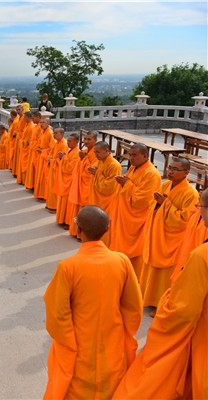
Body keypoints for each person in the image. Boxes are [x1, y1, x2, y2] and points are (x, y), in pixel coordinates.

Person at [113, 189, 208, 399]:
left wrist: (166, 304)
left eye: (200, 207)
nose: (197, 211)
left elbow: (185, 311)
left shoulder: (201, 257)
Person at [43, 205, 142, 400]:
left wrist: (68, 344)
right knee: (111, 387)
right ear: (108, 229)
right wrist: (124, 333)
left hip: (79, 345)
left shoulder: (68, 267)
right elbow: (134, 307)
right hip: (112, 342)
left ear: (78, 230)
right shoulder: (122, 261)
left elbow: (57, 314)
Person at [140, 157, 198, 312]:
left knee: (167, 273)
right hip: (158, 233)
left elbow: (185, 220)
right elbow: (152, 204)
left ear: (186, 172)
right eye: (169, 168)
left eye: (175, 169)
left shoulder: (190, 193)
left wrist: (165, 204)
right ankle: (149, 297)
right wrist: (159, 203)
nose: (170, 171)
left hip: (173, 238)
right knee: (153, 268)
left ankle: (163, 303)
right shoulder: (166, 184)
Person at [109, 143, 162, 278]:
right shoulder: (134, 168)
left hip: (137, 219)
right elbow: (129, 185)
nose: (131, 158)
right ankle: (120, 269)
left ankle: (133, 277)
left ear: (145, 155)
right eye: (130, 155)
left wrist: (126, 184)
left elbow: (141, 200)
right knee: (119, 242)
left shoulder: (152, 174)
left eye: (134, 155)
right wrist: (125, 183)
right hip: (125, 215)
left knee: (135, 249)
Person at [87, 140, 122, 244]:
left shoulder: (114, 165)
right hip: (97, 197)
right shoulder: (100, 161)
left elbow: (109, 187)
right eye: (94, 152)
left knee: (104, 223)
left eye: (98, 152)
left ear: (106, 150)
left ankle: (104, 246)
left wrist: (97, 173)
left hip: (107, 200)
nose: (95, 154)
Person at [66, 131, 98, 237]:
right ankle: (76, 231)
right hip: (80, 184)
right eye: (85, 139)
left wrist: (84, 159)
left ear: (95, 140)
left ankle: (84, 234)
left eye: (89, 139)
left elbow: (91, 171)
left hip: (86, 186)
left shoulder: (95, 153)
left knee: (85, 210)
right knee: (78, 208)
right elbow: (77, 168)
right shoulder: (84, 151)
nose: (86, 141)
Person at [54, 134, 80, 228]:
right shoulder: (71, 151)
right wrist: (63, 157)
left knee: (68, 202)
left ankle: (68, 222)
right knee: (63, 200)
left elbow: (70, 168)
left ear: (76, 142)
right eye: (68, 140)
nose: (67, 143)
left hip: (69, 180)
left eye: (70, 141)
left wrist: (63, 158)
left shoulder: (77, 153)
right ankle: (62, 219)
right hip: (65, 179)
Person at [45, 127, 68, 212]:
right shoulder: (57, 143)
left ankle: (55, 207)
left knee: (55, 187)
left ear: (62, 134)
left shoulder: (64, 144)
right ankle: (50, 204)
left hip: (57, 169)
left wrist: (53, 161)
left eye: (56, 133)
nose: (54, 135)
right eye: (54, 133)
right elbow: (52, 153)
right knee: (51, 187)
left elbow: (63, 159)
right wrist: (50, 158)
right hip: (53, 167)